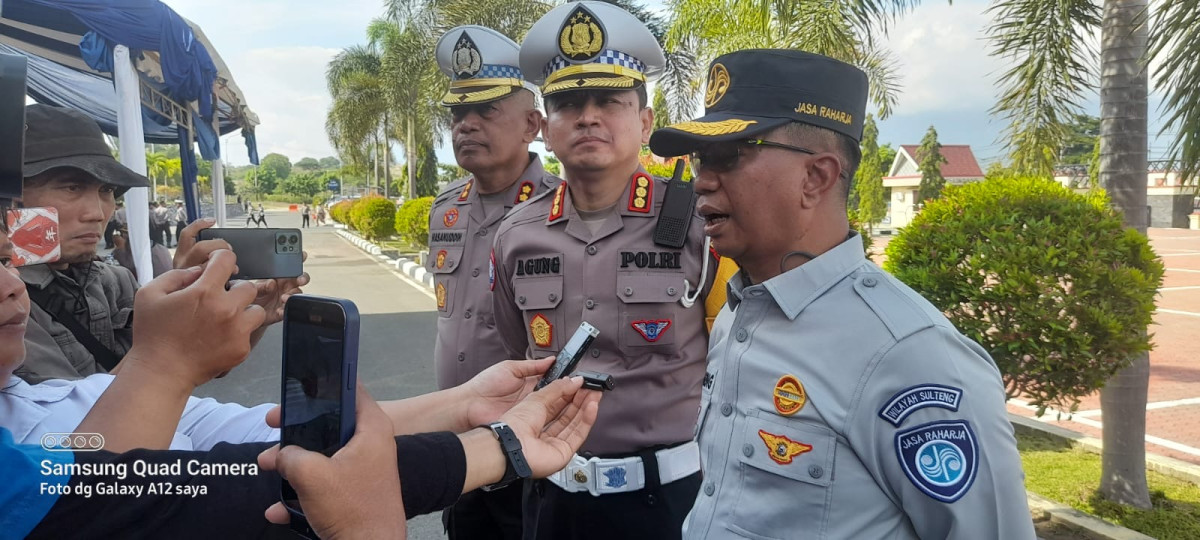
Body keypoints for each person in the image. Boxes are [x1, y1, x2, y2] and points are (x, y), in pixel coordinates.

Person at [647, 49, 1035, 539]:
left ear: (816, 177)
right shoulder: (737, 314)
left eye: (728, 156)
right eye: (702, 159)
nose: (702, 180)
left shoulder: (909, 355)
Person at [492, 3, 718, 537]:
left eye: (609, 101)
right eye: (568, 103)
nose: (588, 116)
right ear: (546, 128)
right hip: (552, 499)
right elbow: (519, 354)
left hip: (669, 506)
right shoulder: (516, 236)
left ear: (645, 122)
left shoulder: (701, 225)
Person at [14, 104, 308, 384]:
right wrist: (180, 307)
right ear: (10, 199)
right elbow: (76, 417)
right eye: (72, 187)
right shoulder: (10, 300)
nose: (98, 213)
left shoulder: (114, 281)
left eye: (106, 190)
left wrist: (252, 314)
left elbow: (197, 366)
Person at [428, 24, 559, 539]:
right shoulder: (446, 209)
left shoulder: (560, 211)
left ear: (532, 124)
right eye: (458, 114)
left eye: (486, 111)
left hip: (528, 443)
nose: (466, 124)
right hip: (455, 438)